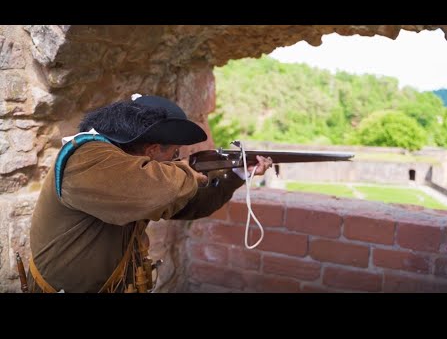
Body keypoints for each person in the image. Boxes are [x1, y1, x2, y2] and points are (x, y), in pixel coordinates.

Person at [26, 94, 272, 293]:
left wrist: (238, 174)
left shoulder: (141, 174)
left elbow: (192, 203)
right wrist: (185, 171)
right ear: (153, 150)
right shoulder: (87, 157)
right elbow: (161, 190)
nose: (177, 159)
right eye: (174, 154)